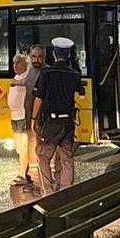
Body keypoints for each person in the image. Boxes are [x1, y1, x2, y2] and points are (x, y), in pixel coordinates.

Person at [32, 37, 85, 194]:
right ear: (68, 54)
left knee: (44, 157)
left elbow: (39, 97)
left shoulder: (46, 73)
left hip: (51, 123)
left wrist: (34, 119)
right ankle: (66, 190)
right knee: (67, 157)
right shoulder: (74, 74)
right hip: (68, 122)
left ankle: (48, 190)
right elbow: (80, 93)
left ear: (54, 54)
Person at [22, 44, 47, 182]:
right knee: (31, 143)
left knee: (43, 146)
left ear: (44, 57)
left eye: (40, 57)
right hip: (29, 115)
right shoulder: (30, 71)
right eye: (34, 56)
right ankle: (32, 172)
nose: (37, 59)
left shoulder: (47, 72)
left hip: (42, 117)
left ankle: (44, 175)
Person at [8, 53, 32, 187]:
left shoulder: (27, 76)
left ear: (25, 64)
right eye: (14, 63)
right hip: (15, 117)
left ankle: (22, 174)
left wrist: (14, 82)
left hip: (23, 117)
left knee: (23, 147)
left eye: (18, 62)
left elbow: (26, 83)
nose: (15, 66)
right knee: (19, 148)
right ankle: (25, 172)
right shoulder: (17, 77)